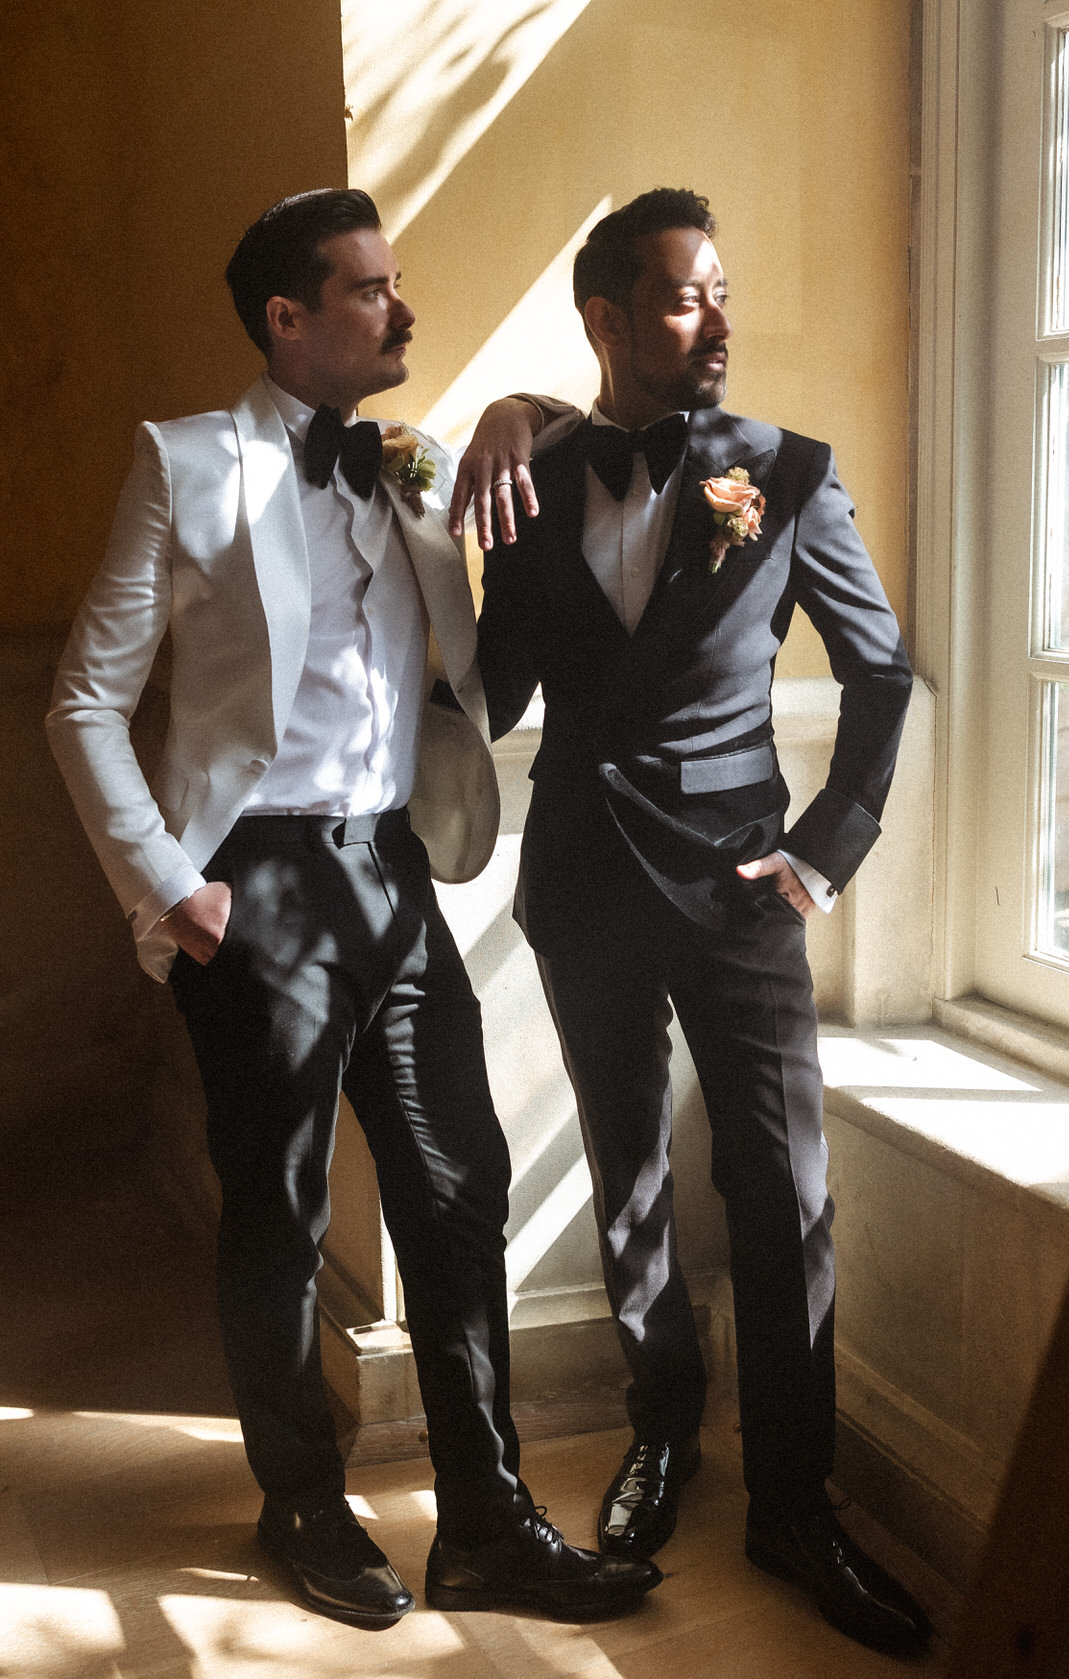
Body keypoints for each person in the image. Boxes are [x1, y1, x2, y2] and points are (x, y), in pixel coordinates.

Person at [46, 188, 660, 1631]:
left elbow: (584, 441)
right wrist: (173, 887)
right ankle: (303, 1506)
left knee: (459, 1186)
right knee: (278, 1210)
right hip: (253, 877)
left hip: (393, 867)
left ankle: (488, 1520)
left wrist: (515, 401)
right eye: (372, 290)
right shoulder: (186, 465)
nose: (402, 308)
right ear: (289, 318)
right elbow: (81, 700)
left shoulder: (409, 462)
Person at [469, 188, 930, 1656]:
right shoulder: (533, 479)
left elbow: (881, 673)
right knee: (626, 1177)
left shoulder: (785, 475)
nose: (718, 319)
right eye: (684, 298)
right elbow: (489, 691)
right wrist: (473, 447)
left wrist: (819, 856)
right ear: (605, 321)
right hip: (584, 882)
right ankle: (662, 1432)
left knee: (782, 1196)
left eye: (721, 291)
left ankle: (796, 1505)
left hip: (741, 894)